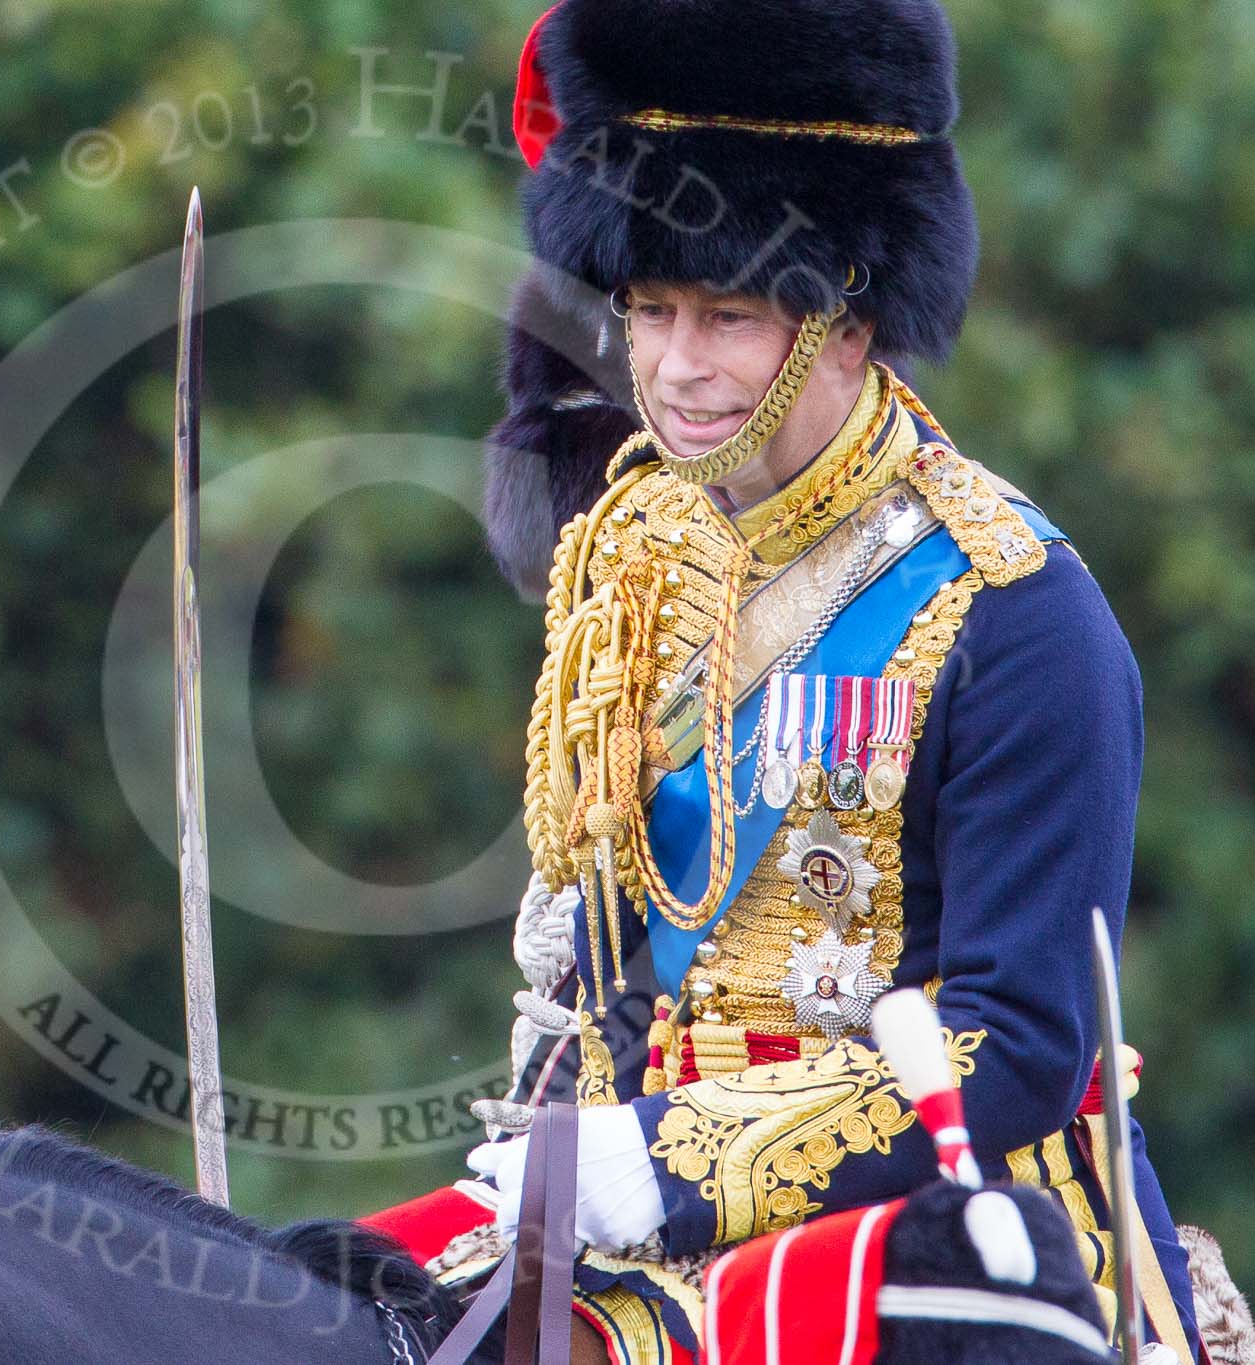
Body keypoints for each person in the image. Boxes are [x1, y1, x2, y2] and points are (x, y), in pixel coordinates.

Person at [370, 1, 1211, 1361]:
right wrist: (550, 1153)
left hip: (942, 1220)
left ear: (850, 322)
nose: (681, 367)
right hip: (633, 1203)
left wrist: (664, 1164)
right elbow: (597, 974)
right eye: (651, 309)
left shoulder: (1017, 611)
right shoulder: (626, 560)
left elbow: (1021, 1034)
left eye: (733, 315)